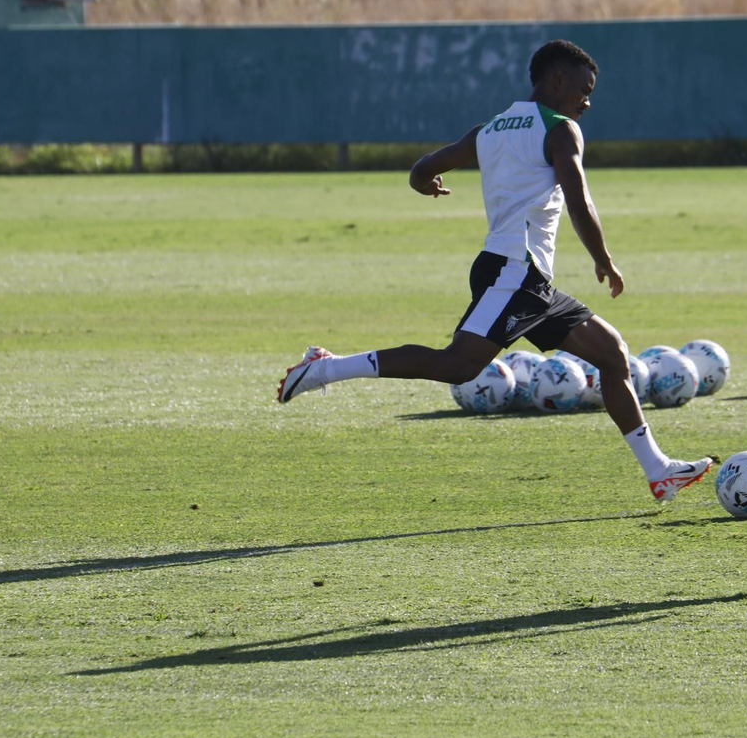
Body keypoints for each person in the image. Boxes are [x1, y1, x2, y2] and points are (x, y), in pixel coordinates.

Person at [277, 39, 712, 501]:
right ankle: (325, 369)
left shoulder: (488, 130)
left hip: (526, 278)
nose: (588, 101)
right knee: (457, 366)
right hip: (514, 273)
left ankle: (659, 471)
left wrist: (428, 185)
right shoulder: (560, 129)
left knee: (611, 353)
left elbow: (421, 169)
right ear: (556, 80)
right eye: (584, 89)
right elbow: (579, 199)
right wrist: (603, 259)